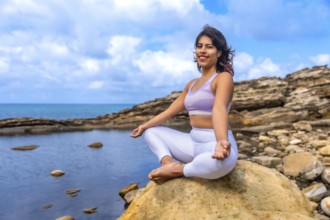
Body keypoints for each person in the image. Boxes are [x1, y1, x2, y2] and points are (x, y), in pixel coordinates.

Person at [130, 24, 238, 185]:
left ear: (219, 52)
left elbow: (219, 108)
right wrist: (144, 126)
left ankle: (178, 171)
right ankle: (168, 164)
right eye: (199, 46)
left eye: (209, 47)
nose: (202, 50)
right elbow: (170, 111)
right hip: (193, 143)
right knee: (152, 133)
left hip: (214, 142)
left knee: (219, 164)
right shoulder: (192, 84)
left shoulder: (222, 78)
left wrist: (221, 141)